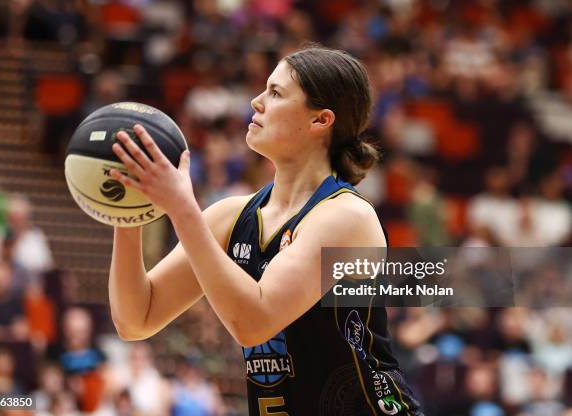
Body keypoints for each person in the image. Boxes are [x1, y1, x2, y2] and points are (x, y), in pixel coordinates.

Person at [108, 45, 423, 415]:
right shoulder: (230, 216)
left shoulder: (347, 217)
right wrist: (125, 213)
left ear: (321, 120)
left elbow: (254, 322)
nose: (256, 101)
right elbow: (136, 319)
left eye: (275, 93)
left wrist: (182, 208)